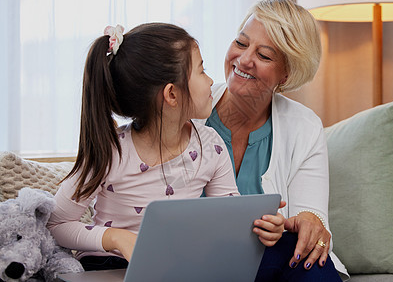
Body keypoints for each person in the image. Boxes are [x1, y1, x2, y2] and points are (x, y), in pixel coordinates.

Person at [47, 23, 251, 270]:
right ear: (171, 94)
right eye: (202, 70)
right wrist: (116, 238)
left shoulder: (211, 146)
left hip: (174, 267)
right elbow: (55, 224)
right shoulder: (111, 151)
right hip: (109, 266)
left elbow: (228, 220)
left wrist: (257, 225)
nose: (210, 81)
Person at [203, 0, 349, 281]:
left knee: (308, 259)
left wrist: (311, 227)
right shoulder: (188, 108)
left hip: (268, 264)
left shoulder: (304, 126)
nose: (243, 60)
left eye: (264, 55)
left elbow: (311, 220)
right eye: (241, 43)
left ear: (286, 73)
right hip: (195, 257)